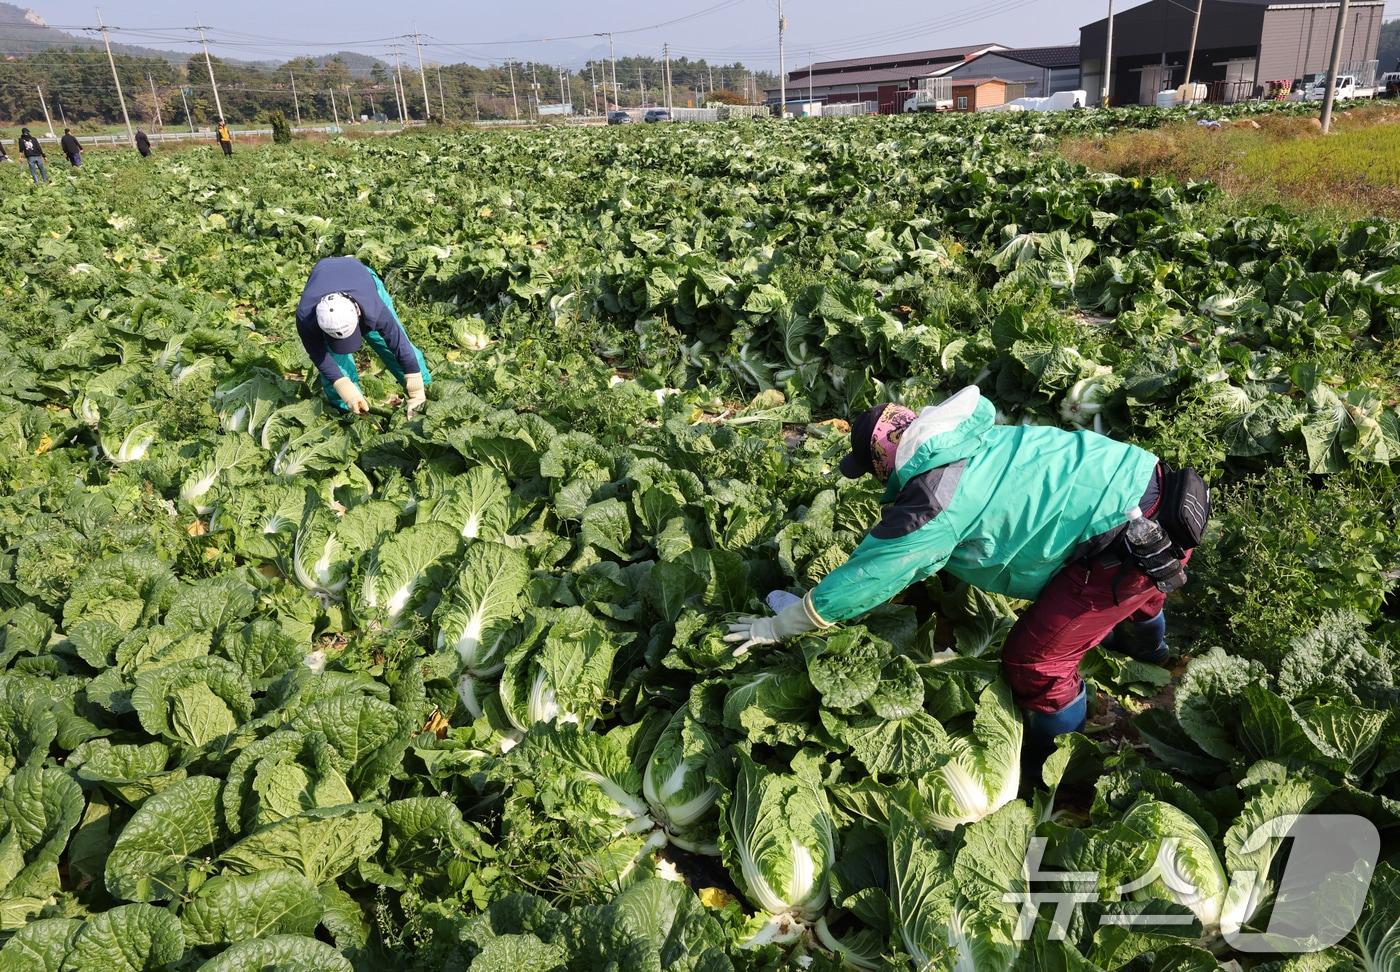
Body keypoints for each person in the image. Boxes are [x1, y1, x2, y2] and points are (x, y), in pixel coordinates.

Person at [725, 387, 1208, 775]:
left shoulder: (934, 499)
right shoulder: (968, 436)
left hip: (1126, 545)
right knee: (1140, 594)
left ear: (882, 460)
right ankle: (1153, 654)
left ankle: (1057, 764)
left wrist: (782, 625)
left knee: (1035, 662)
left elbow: (872, 574)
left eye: (871, 471)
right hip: (1153, 490)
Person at [295, 256, 430, 416]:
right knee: (336, 362)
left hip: (362, 280)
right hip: (325, 279)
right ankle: (351, 412)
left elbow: (399, 343)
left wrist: (416, 390)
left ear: (358, 315)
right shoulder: (306, 317)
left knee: (385, 343)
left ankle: (426, 392)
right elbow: (319, 355)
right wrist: (342, 385)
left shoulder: (374, 307)